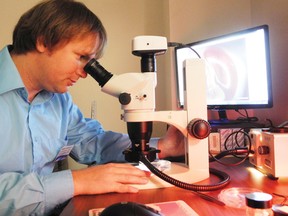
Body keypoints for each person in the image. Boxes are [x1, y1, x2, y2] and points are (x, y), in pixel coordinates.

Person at [0, 0, 184, 215]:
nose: (85, 73)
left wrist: (162, 145)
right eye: (82, 57)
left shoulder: (58, 100)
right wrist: (76, 182)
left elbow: (91, 142)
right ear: (44, 42)